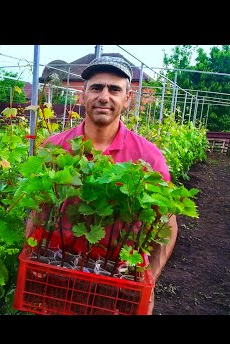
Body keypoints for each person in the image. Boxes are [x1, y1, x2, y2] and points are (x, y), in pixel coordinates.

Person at [25, 55, 178, 315]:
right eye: (96, 88)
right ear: (82, 96)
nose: (104, 96)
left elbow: (166, 224)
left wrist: (149, 281)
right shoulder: (55, 148)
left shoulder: (149, 158)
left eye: (114, 89)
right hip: (59, 275)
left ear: (127, 99)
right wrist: (29, 259)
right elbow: (38, 211)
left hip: (118, 283)